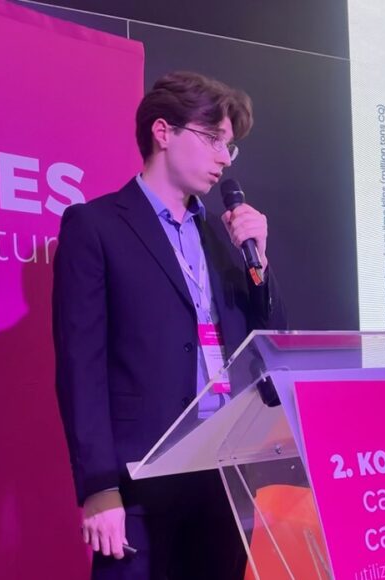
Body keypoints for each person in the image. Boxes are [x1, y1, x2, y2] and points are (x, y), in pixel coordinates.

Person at [52, 71, 287, 579]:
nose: (225, 159)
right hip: (139, 480)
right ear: (163, 132)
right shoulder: (96, 226)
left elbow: (268, 342)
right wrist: (99, 487)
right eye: (213, 139)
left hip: (221, 474)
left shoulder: (222, 237)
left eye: (229, 146)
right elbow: (80, 367)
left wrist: (260, 263)